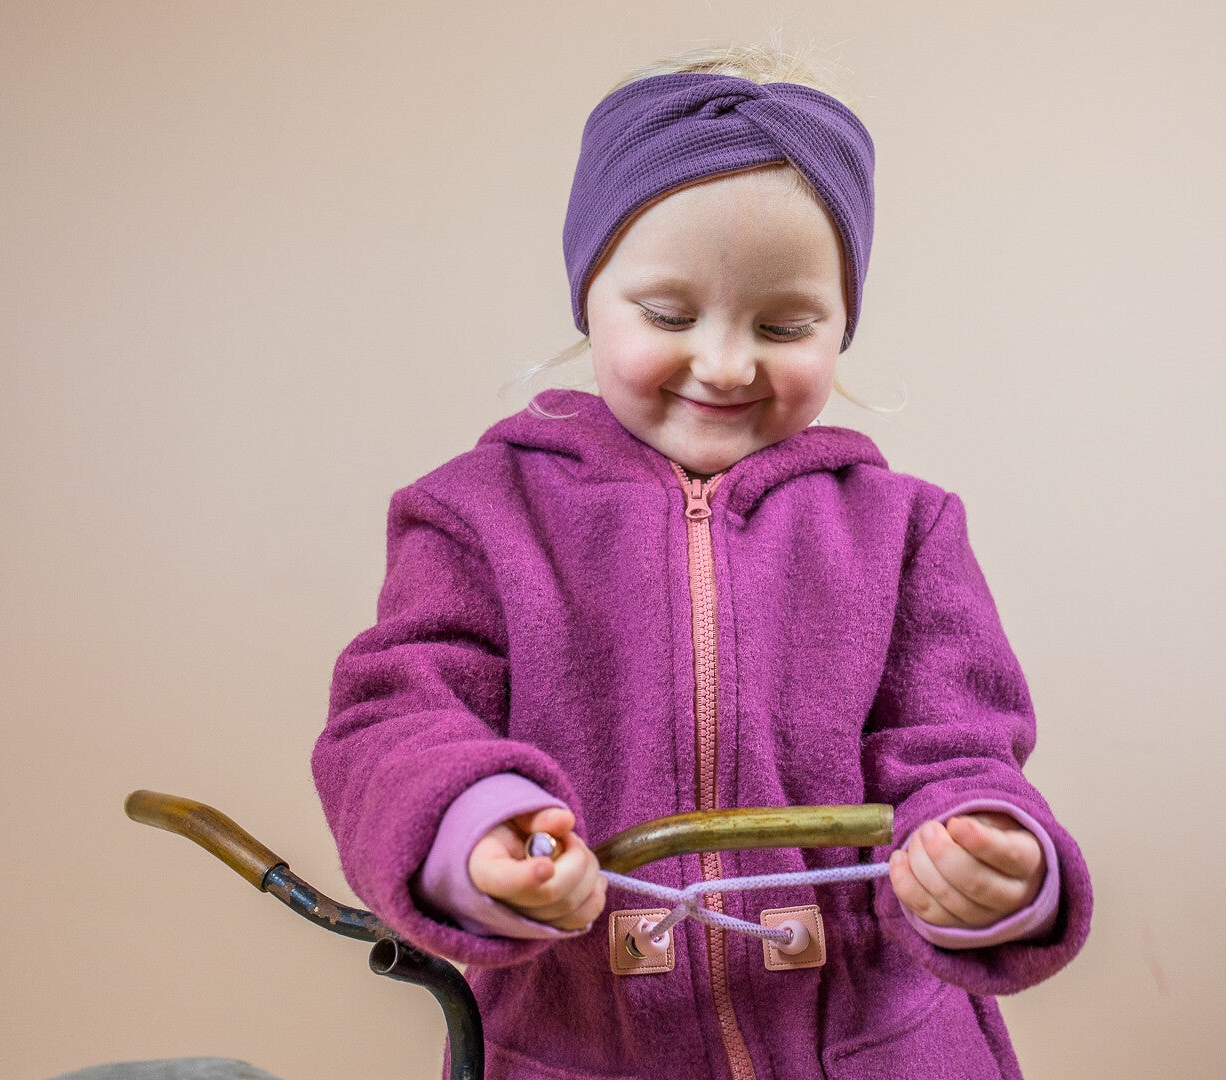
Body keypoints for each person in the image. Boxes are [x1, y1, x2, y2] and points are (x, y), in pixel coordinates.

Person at [313, 43, 1091, 1080]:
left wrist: (994, 867)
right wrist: (467, 833)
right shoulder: (475, 518)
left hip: (885, 1052)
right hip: (578, 1051)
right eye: (669, 315)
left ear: (843, 323)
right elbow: (395, 724)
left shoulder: (907, 529)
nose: (724, 364)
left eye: (787, 323)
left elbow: (963, 753)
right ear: (588, 295)